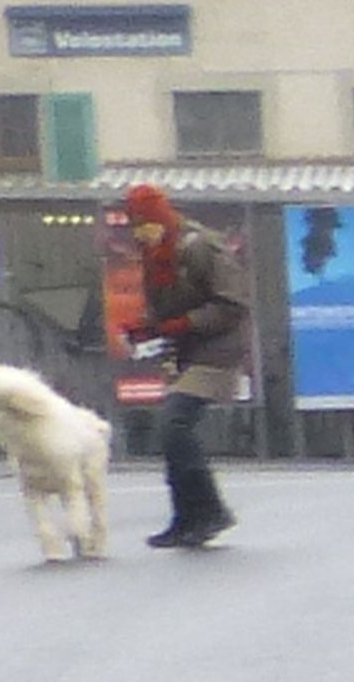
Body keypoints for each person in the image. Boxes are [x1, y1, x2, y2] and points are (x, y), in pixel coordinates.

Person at [104, 185, 247, 548]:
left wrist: (178, 325)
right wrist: (146, 327)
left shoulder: (200, 245)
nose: (138, 233)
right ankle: (185, 519)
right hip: (188, 351)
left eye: (143, 224)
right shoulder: (156, 254)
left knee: (175, 423)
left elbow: (231, 305)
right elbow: (167, 307)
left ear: (160, 218)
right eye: (134, 226)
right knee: (171, 431)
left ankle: (210, 512)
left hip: (218, 349)